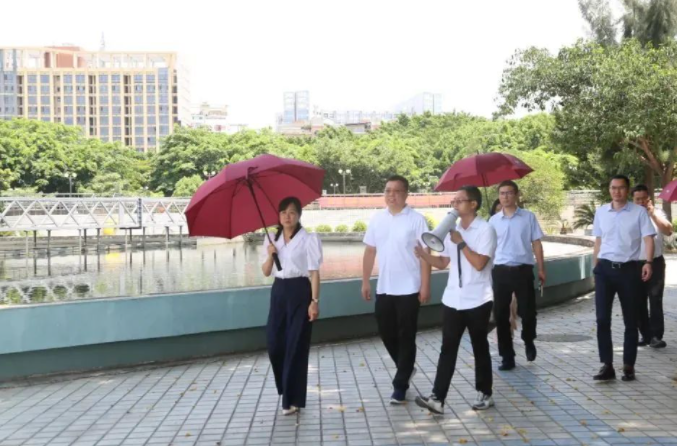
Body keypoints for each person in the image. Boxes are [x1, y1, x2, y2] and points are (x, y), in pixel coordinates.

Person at [414, 185, 497, 413]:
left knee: (479, 347)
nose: (455, 205)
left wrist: (461, 242)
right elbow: (443, 262)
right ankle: (437, 399)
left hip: (478, 299)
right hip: (452, 299)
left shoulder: (486, 229)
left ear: (473, 204)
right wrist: (424, 256)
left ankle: (485, 393)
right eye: (454, 201)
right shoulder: (453, 230)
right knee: (447, 349)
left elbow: (479, 263)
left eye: (460, 201)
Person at [362, 175, 431, 404]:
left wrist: (425, 285)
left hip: (410, 287)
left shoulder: (416, 220)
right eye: (388, 190)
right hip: (385, 287)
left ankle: (400, 386)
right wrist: (365, 281)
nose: (391, 195)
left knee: (407, 335)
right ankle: (406, 367)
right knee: (386, 331)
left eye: (397, 191)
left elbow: (426, 254)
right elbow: (370, 251)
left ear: (406, 194)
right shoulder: (377, 219)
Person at [261, 196, 323, 415]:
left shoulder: (309, 239)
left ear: (299, 215)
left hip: (300, 291)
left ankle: (291, 398)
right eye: (283, 212)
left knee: (296, 345)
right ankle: (286, 387)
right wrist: (271, 255)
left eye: (292, 212)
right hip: (279, 291)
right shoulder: (271, 238)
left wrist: (314, 302)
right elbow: (266, 272)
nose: (287, 216)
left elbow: (314, 273)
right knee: (274, 343)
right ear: (278, 216)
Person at [592, 175, 655, 382]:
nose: (616, 191)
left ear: (627, 190)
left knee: (631, 320)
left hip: (629, 270)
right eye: (613, 188)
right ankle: (606, 365)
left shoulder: (639, 212)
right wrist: (595, 266)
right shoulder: (601, 212)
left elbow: (648, 239)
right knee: (602, 319)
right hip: (604, 270)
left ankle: (629, 365)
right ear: (609, 189)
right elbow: (598, 241)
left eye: (620, 188)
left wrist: (648, 262)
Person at [489, 180, 545, 371]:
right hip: (500, 271)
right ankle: (507, 356)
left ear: (516, 194)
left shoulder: (528, 217)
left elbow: (536, 243)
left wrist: (541, 268)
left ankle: (528, 339)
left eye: (509, 193)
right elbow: (488, 247)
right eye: (502, 193)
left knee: (528, 312)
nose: (505, 196)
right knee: (501, 315)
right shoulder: (493, 221)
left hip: (523, 270)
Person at [631, 184, 673, 349]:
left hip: (655, 262)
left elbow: (668, 231)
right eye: (638, 199)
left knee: (655, 299)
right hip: (634, 263)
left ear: (649, 198)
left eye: (644, 198)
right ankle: (645, 334)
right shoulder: (628, 216)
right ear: (633, 200)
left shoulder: (657, 213)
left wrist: (653, 215)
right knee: (637, 300)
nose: (641, 202)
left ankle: (656, 336)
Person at [489, 199, 518, 335]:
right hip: (495, 268)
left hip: (513, 267)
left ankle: (510, 321)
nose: (500, 211)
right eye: (497, 209)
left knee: (512, 299)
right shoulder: (489, 226)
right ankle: (504, 326)